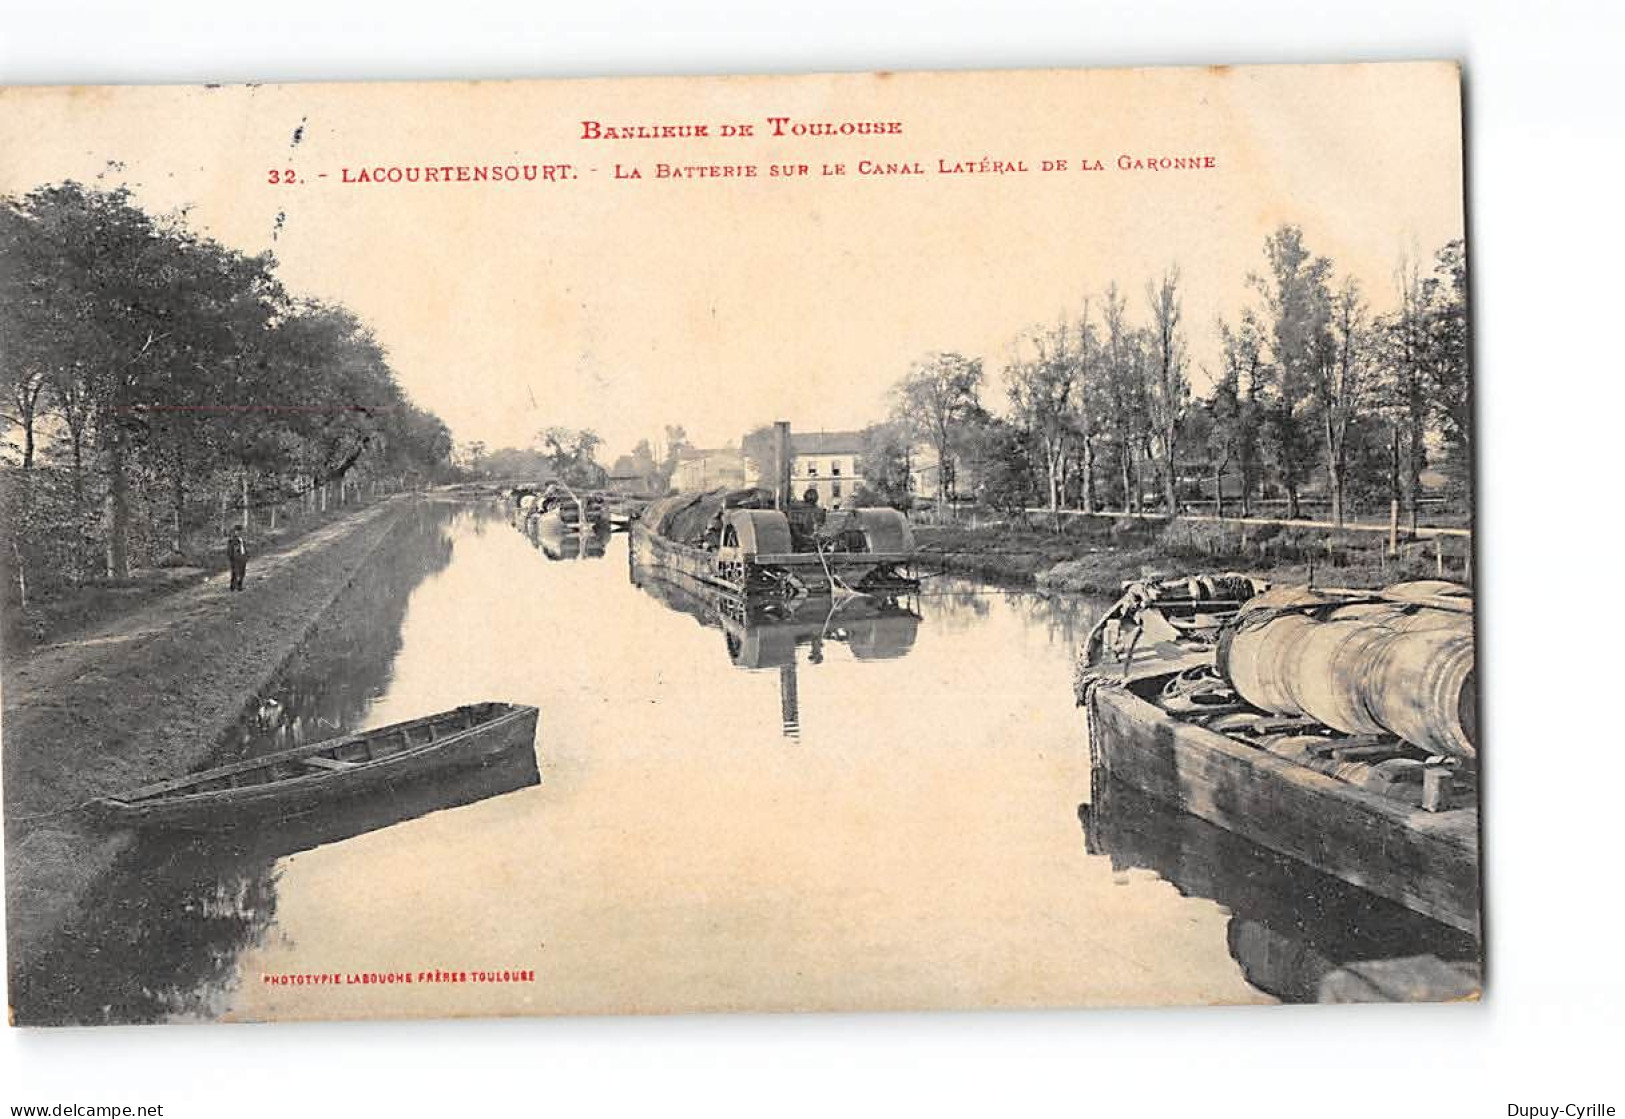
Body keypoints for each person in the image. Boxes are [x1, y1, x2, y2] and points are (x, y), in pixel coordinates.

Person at [226, 525, 249, 592]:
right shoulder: (232, 540)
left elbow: (244, 548)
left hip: (242, 557)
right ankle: (232, 587)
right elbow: (229, 551)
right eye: (237, 531)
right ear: (235, 532)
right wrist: (231, 560)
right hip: (235, 559)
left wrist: (246, 556)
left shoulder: (242, 539)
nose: (239, 532)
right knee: (235, 573)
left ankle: (240, 586)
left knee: (242, 573)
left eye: (240, 531)